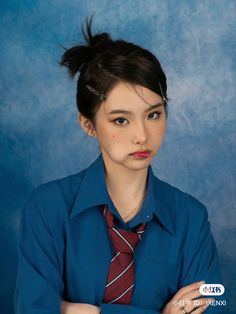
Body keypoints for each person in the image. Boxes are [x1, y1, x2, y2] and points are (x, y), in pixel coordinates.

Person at [14, 15, 225, 314]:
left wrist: (76, 310)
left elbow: (214, 306)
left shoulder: (190, 218)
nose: (142, 135)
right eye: (121, 120)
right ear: (88, 124)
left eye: (153, 114)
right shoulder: (47, 208)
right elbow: (33, 309)